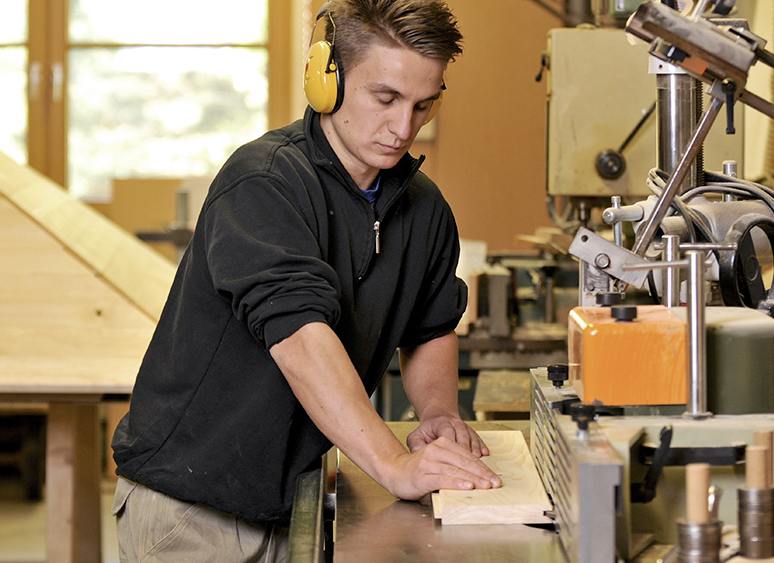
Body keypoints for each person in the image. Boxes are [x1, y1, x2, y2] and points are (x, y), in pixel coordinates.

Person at [111, 0, 500, 560]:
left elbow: (430, 326)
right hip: (193, 508)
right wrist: (394, 464)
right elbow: (299, 339)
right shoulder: (264, 182)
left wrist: (438, 414)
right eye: (385, 98)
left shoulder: (425, 208)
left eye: (423, 105)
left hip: (294, 500)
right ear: (327, 81)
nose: (403, 127)